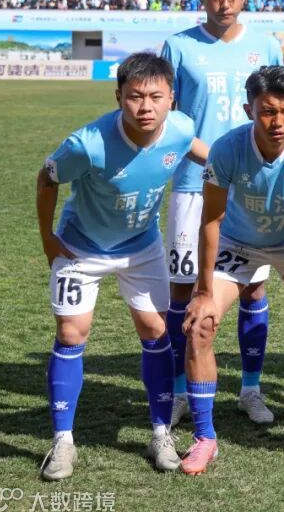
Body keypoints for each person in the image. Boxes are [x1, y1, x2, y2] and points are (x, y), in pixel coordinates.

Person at [37, 52, 206, 480]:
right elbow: (47, 178)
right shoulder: (87, 144)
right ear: (118, 98)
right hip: (81, 248)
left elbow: (201, 151)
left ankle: (161, 433)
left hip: (141, 247)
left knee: (156, 330)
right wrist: (47, 239)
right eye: (135, 97)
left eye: (155, 97)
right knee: (71, 333)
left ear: (171, 99)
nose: (145, 107)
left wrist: (244, 166)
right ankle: (62, 441)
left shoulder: (181, 128)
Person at [179, 65, 284, 474]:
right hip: (238, 242)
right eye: (268, 111)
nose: (278, 122)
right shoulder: (227, 149)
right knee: (201, 325)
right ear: (249, 109)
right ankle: (204, 438)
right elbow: (211, 221)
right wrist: (203, 291)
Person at [160, 0, 284, 428]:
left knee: (254, 287)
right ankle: (178, 391)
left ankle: (250, 388)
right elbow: (168, 117)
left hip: (252, 188)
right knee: (184, 287)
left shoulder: (265, 45)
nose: (224, 4)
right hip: (193, 184)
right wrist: (211, 157)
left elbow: (279, 110)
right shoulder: (178, 46)